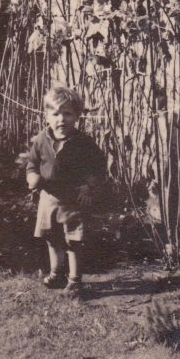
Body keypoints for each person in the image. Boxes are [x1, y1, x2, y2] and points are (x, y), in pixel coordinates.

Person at [26, 86, 106, 299]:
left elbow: (98, 166)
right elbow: (32, 163)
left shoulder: (83, 143)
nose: (61, 119)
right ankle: (56, 273)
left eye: (68, 113)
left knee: (73, 241)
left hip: (73, 200)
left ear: (77, 116)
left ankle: (75, 280)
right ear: (47, 116)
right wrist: (32, 176)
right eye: (56, 114)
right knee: (52, 239)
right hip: (49, 199)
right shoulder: (41, 140)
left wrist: (89, 186)